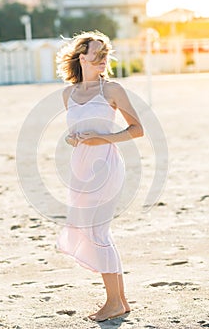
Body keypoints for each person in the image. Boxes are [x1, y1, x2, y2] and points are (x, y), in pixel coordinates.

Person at [55, 31, 143, 322]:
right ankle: (120, 301)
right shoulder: (68, 94)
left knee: (98, 233)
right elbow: (76, 132)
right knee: (96, 232)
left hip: (106, 166)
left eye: (106, 53)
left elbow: (137, 129)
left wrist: (102, 139)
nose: (104, 58)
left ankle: (113, 303)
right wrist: (75, 139)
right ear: (82, 57)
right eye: (98, 53)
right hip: (79, 167)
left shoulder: (113, 90)